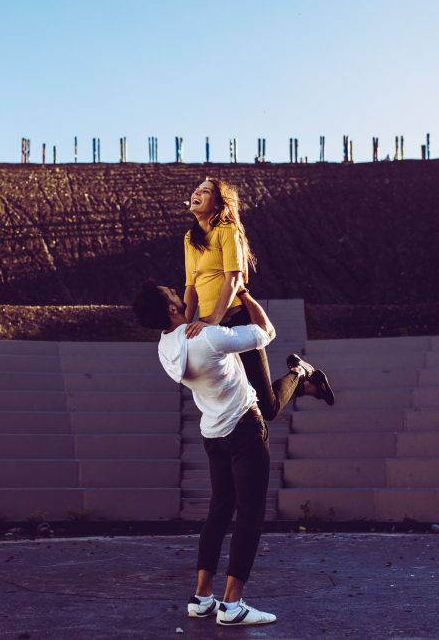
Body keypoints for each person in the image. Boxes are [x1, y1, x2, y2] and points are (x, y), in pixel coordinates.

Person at [133, 280, 331, 627]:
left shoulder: (165, 349)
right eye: (177, 297)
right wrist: (243, 294)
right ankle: (233, 604)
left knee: (220, 511)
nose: (183, 297)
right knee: (250, 514)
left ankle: (202, 597)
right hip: (244, 429)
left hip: (213, 433)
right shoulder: (208, 338)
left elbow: (190, 312)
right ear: (171, 310)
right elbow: (265, 332)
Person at [183, 177, 333, 419]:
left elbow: (233, 281)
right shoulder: (190, 239)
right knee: (236, 399)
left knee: (267, 408)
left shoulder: (227, 231)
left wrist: (212, 321)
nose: (197, 192)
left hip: (236, 320)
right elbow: (190, 288)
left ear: (219, 204)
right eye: (197, 188)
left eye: (206, 191)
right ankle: (307, 387)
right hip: (211, 327)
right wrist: (181, 327)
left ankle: (299, 372)